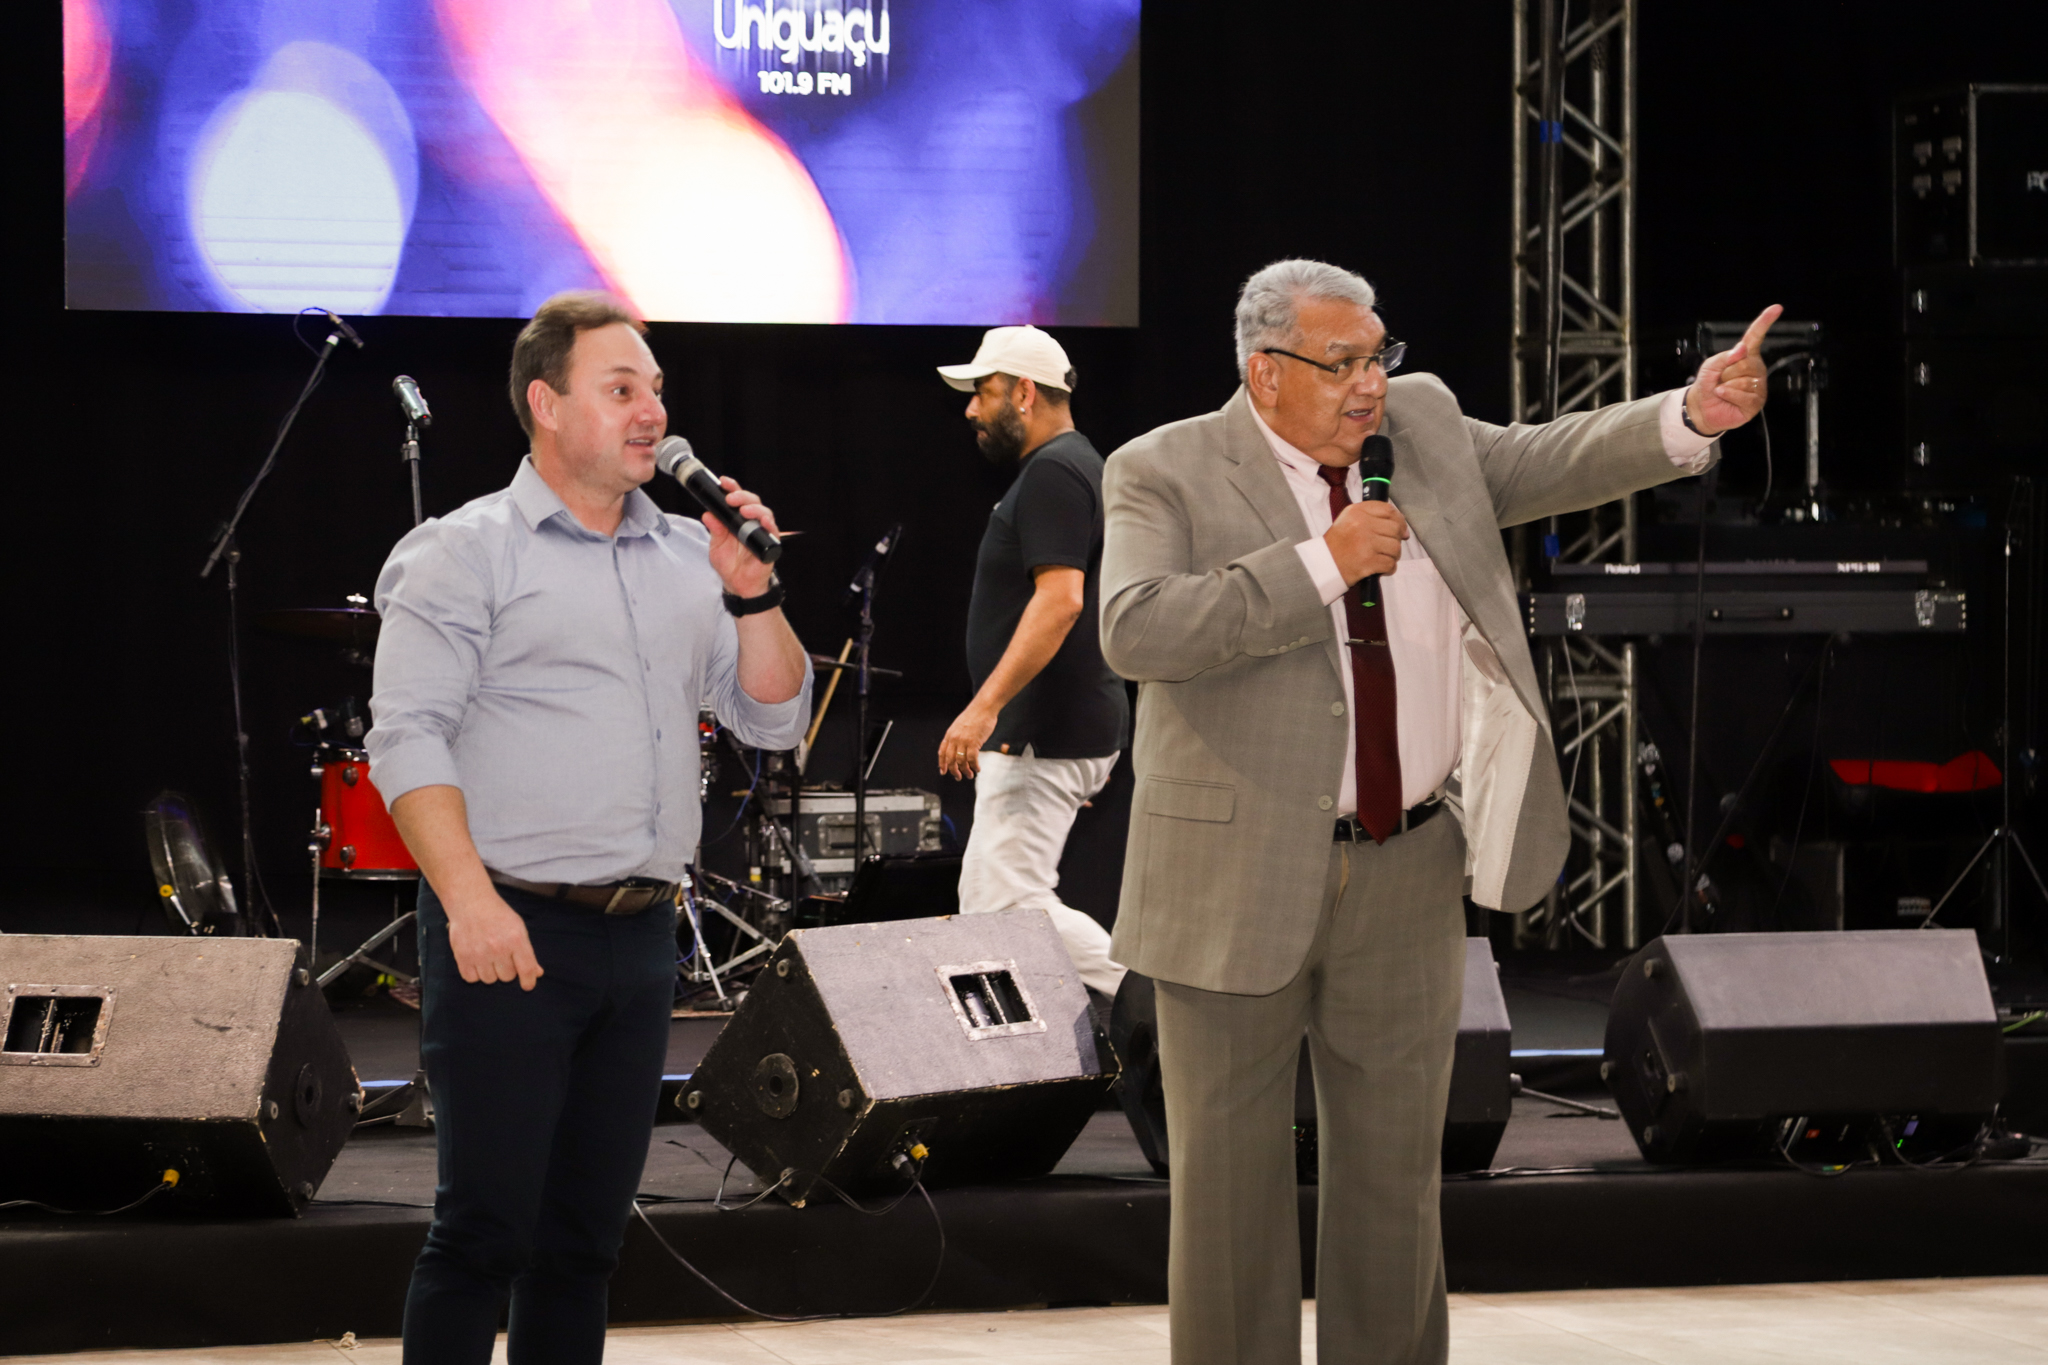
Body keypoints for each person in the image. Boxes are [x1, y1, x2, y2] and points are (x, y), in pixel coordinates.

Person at [1099, 259, 1779, 1365]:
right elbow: (1135, 629)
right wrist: (1319, 564)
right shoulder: (1161, 467)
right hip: (1229, 876)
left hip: (1408, 860)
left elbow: (1548, 457)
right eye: (1342, 364)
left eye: (1379, 357)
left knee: (1395, 1184)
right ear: (1265, 373)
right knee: (1226, 1196)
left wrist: (1688, 415)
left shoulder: (1419, 427)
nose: (1371, 384)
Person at [365, 291, 812, 1364]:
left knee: (583, 1247)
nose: (652, 411)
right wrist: (468, 903)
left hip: (642, 937)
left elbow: (773, 720)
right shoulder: (463, 551)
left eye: (655, 389)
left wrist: (753, 595)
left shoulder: (689, 557)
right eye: (621, 389)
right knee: (483, 1235)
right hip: (509, 930)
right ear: (547, 405)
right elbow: (408, 738)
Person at [934, 325, 1131, 1000]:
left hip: (1038, 730)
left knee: (1003, 907)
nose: (970, 409)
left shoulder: (1054, 471)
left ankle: (1162, 1008)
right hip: (1056, 726)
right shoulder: (1079, 465)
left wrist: (984, 707)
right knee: (992, 905)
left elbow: (1061, 601)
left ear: (1023, 392)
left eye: (982, 392)